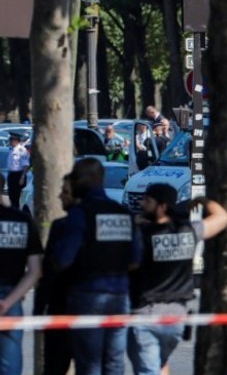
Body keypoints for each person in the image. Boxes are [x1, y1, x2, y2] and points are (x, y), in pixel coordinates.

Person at [127, 183, 227, 375]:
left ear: (162, 206)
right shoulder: (187, 231)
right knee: (160, 364)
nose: (142, 204)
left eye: (148, 201)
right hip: (176, 317)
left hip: (146, 313)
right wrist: (202, 200)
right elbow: (222, 218)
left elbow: (130, 265)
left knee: (148, 370)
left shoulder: (142, 234)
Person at [51, 158, 141, 375]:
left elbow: (63, 259)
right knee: (114, 362)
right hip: (119, 295)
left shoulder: (80, 214)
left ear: (85, 180)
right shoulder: (123, 214)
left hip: (87, 294)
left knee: (89, 364)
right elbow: (135, 259)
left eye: (74, 178)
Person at [34, 174, 78, 375]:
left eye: (65, 192)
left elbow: (51, 269)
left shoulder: (63, 226)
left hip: (64, 306)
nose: (60, 196)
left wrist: (39, 308)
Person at [0, 173, 43, 375]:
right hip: (12, 300)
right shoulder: (23, 221)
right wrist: (8, 302)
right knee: (10, 365)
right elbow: (35, 271)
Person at [5, 132, 30, 209]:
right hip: (11, 175)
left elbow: (25, 165)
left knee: (16, 197)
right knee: (11, 196)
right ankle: (13, 212)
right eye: (10, 140)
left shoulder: (22, 150)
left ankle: (17, 213)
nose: (10, 141)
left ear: (16, 140)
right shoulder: (11, 149)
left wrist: (22, 177)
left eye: (12, 140)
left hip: (18, 175)